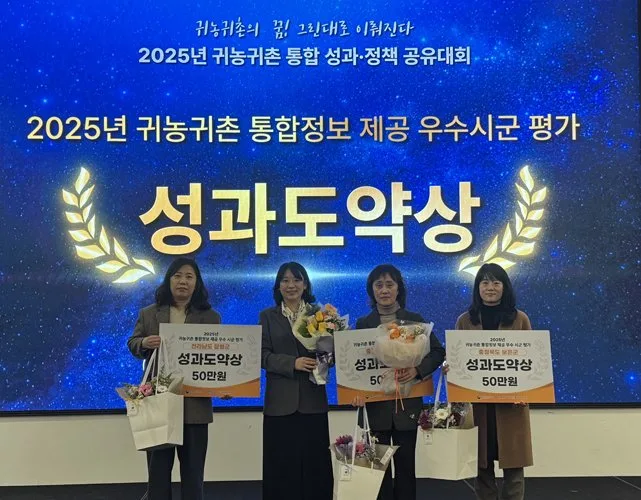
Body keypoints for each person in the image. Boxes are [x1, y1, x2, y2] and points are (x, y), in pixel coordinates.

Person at [127, 257, 221, 500]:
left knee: (193, 475)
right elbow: (133, 343)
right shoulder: (149, 313)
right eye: (177, 276)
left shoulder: (210, 317)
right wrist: (144, 342)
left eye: (189, 277)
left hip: (195, 406)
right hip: (159, 404)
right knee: (158, 475)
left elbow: (219, 357)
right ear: (168, 280)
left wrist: (225, 384)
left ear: (197, 283)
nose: (183, 281)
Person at [353, 264, 445, 500]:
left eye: (389, 284)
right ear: (372, 290)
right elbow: (353, 364)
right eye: (379, 285)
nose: (384, 290)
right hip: (375, 408)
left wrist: (417, 370)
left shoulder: (415, 321)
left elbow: (437, 352)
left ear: (398, 289)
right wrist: (353, 392)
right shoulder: (363, 324)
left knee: (405, 469)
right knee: (378, 471)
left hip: (407, 405)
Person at [452, 263, 533, 500]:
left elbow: (531, 361)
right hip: (478, 407)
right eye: (485, 282)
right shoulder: (465, 321)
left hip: (511, 406)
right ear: (477, 288)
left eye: (496, 283)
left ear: (505, 287)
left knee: (514, 468)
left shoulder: (520, 319)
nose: (490, 288)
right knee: (482, 467)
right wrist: (451, 368)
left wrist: (527, 393)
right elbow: (458, 359)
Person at [260, 262, 333, 500]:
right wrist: (292, 363)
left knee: (315, 467)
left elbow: (329, 355)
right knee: (280, 467)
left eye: (296, 280)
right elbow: (261, 355)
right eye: (285, 280)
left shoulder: (320, 315)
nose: (291, 285)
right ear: (278, 286)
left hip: (313, 401)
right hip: (279, 404)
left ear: (305, 285)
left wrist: (326, 358)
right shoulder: (267, 316)